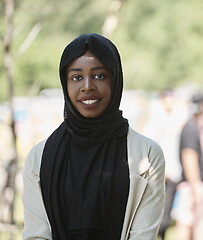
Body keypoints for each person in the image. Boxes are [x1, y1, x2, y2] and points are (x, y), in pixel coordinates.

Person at [22, 33, 165, 240]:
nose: (87, 86)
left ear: (115, 80)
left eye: (99, 76)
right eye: (76, 77)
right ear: (65, 83)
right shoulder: (39, 157)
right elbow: (36, 235)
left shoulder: (147, 155)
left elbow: (142, 235)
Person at [142, 89, 184, 239]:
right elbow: (148, 146)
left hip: (173, 171)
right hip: (162, 173)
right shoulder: (157, 120)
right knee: (160, 214)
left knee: (166, 214)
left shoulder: (175, 118)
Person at [174, 92, 203, 240]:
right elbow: (189, 157)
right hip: (190, 185)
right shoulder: (190, 128)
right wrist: (196, 186)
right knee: (186, 223)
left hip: (192, 184)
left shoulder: (191, 126)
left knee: (194, 223)